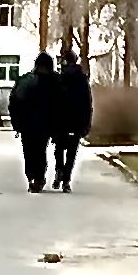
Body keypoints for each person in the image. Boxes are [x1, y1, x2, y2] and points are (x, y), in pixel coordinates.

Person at [9, 51, 56, 192]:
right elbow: (60, 105)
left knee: (28, 151)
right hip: (44, 125)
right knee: (40, 150)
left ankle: (31, 177)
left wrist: (16, 124)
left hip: (26, 125)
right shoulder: (54, 82)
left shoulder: (24, 81)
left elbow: (14, 103)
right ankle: (39, 178)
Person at [49, 45, 94, 191]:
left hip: (60, 121)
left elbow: (53, 101)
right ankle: (66, 181)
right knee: (71, 152)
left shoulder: (59, 78)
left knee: (59, 149)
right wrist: (87, 123)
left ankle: (59, 171)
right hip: (76, 121)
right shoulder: (82, 80)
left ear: (64, 62)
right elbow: (88, 103)